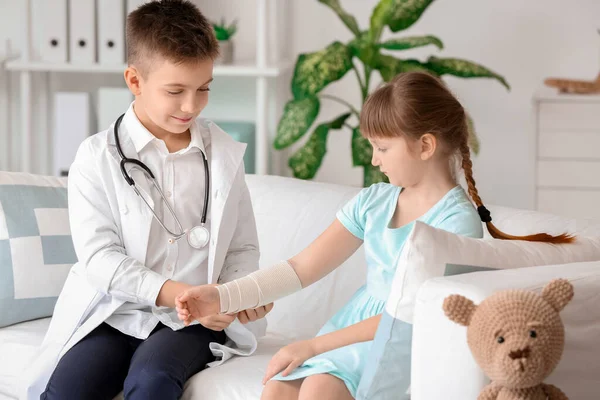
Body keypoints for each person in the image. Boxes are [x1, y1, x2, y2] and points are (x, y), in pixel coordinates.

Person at [175, 72, 574, 400]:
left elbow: (410, 313)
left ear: (425, 146)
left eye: (381, 147)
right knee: (275, 389)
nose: (373, 159)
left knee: (318, 390)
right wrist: (222, 296)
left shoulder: (456, 223)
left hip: (397, 335)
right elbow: (300, 268)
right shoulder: (374, 202)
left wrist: (313, 345)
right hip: (350, 330)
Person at [21, 1, 272, 399]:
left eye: (204, 88)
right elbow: (100, 257)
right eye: (176, 91)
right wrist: (177, 294)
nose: (192, 106)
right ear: (135, 81)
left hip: (193, 323)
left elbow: (241, 248)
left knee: (153, 378)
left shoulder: (224, 156)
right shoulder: (96, 157)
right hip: (114, 312)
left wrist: (234, 295)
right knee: (68, 389)